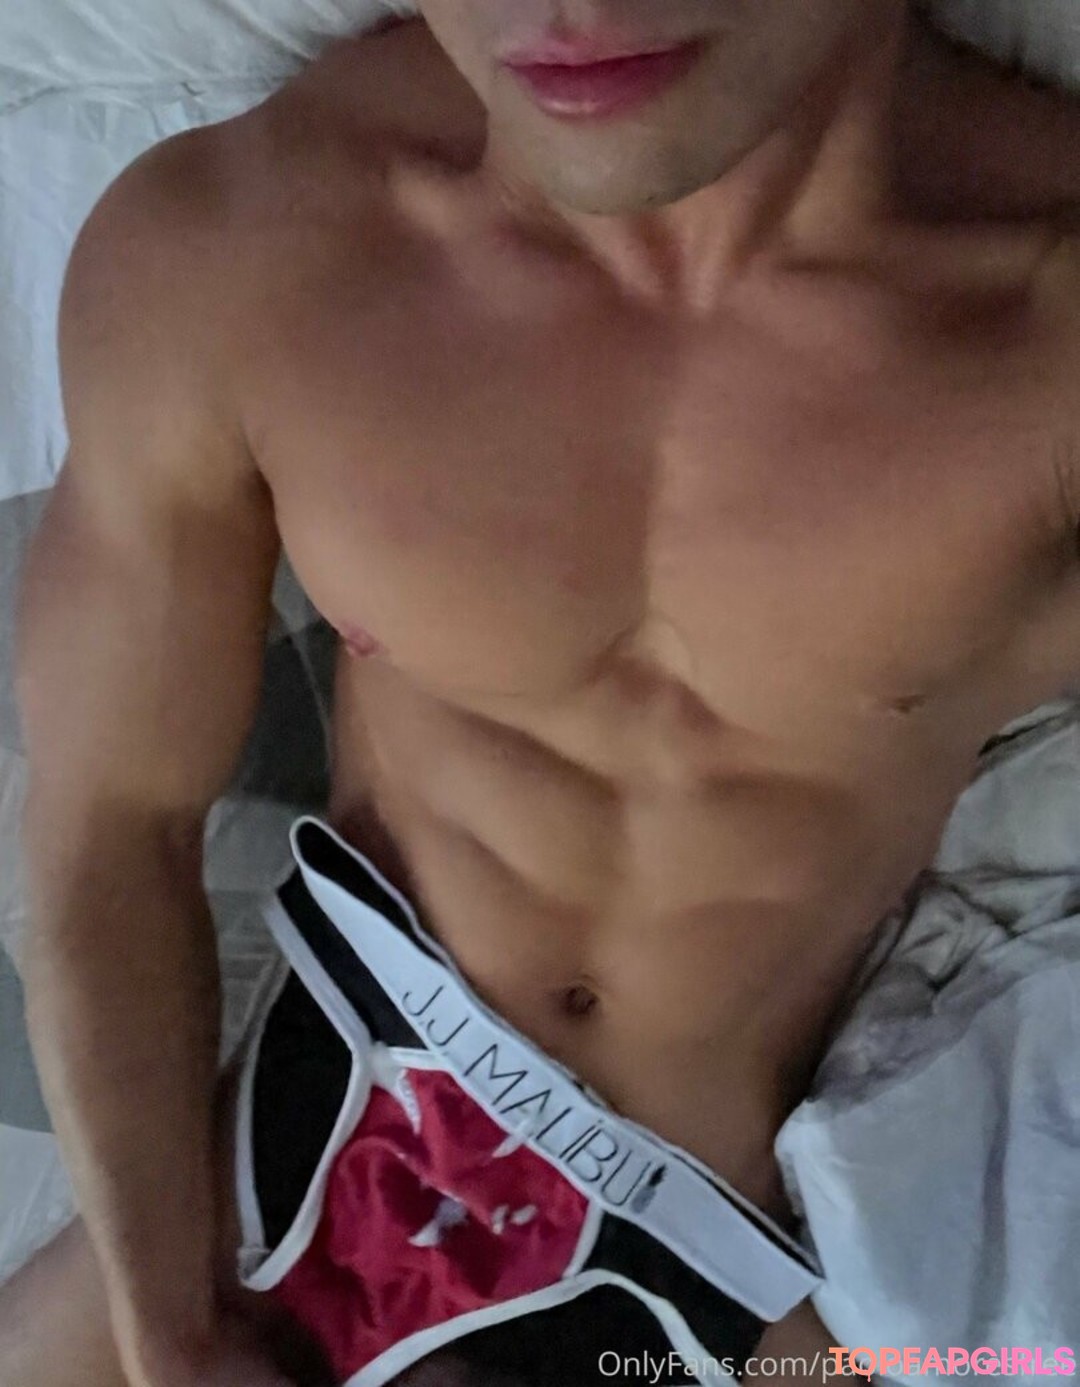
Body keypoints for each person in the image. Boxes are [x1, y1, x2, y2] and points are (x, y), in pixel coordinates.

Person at [4, 0, 1079, 1383]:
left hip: (721, 1277)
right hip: (282, 1166)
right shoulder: (246, 247)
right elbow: (109, 827)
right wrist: (169, 1334)